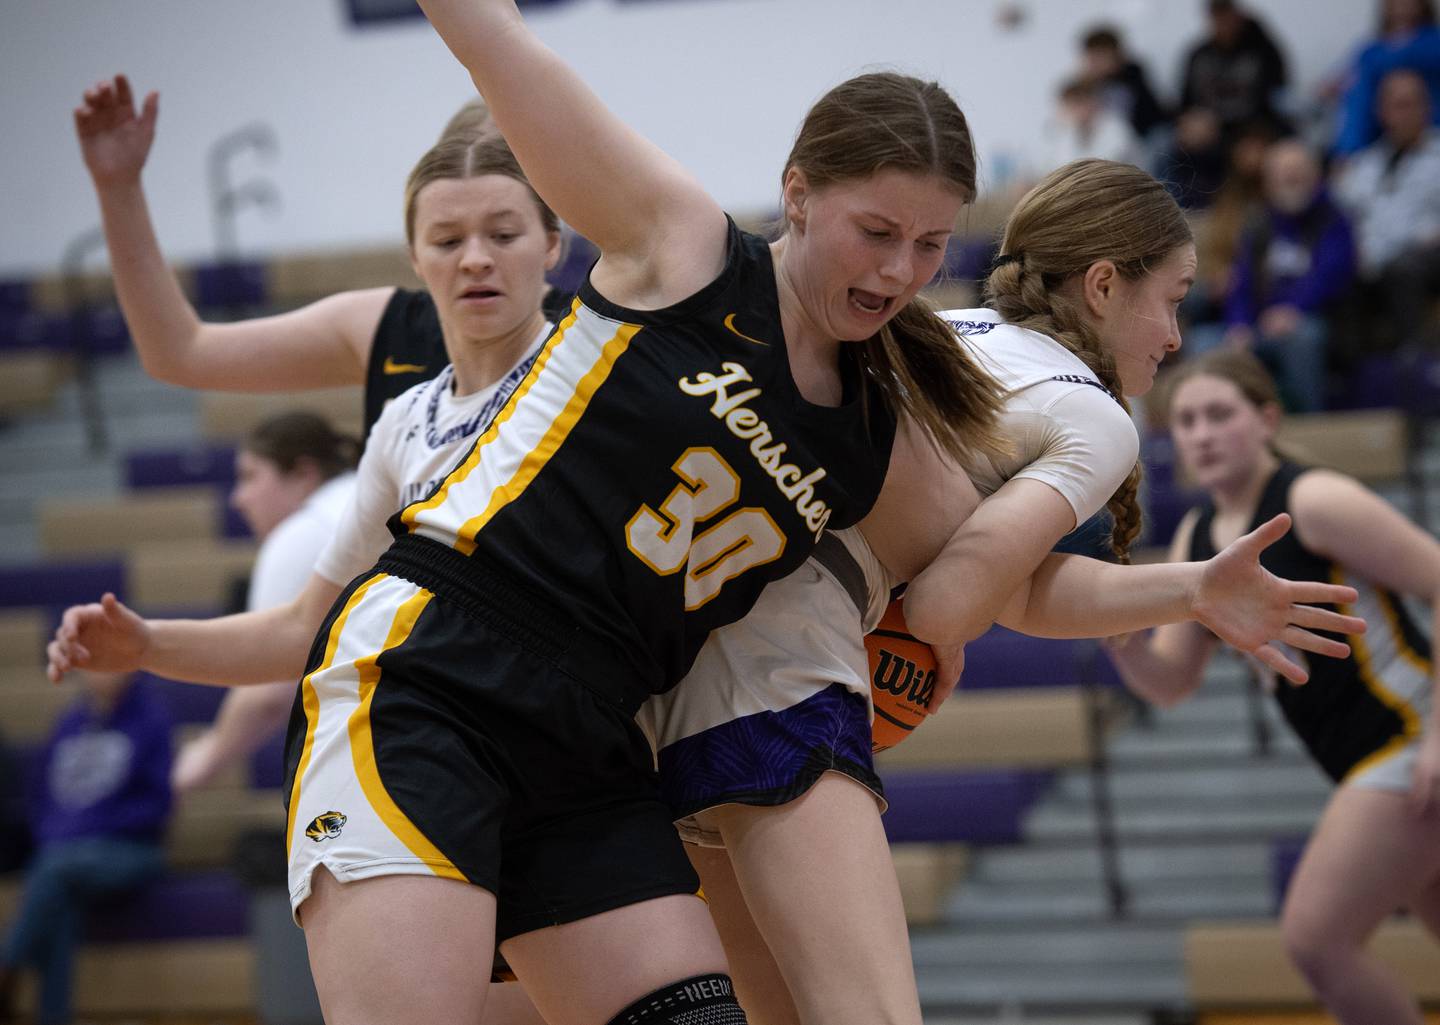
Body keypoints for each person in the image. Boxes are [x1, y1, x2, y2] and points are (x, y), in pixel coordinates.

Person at [65, 5, 1015, 1018]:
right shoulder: (685, 248)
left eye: (929, 244)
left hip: (596, 734)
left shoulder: (873, 434)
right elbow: (494, 38)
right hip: (438, 673)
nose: (899, 270)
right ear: (798, 194)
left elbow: (999, 552)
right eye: (877, 232)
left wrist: (981, 601)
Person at [638, 160, 1365, 1025]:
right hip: (776, 652)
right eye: (1172, 300)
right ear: (1103, 285)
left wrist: (1192, 588)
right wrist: (946, 634)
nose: (1176, 334)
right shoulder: (1093, 412)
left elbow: (1003, 586)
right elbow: (948, 604)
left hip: (668, 622)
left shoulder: (945, 326)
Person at [1107, 349, 1440, 1025]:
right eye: (1187, 421)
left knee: (1316, 940)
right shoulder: (1199, 538)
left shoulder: (1312, 499)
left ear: (1266, 420)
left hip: (1410, 738)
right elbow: (1172, 682)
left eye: (1219, 415)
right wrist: (1118, 636)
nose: (1202, 433)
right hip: (1363, 757)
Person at [72, 75, 570, 437]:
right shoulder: (380, 327)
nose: (476, 258)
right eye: (450, 237)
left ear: (549, 229)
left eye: (502, 230)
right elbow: (180, 353)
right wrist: (118, 189)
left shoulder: (595, 331)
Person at [170, 411, 358, 793]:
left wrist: (202, 761)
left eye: (250, 476)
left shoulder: (304, 531)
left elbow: (269, 692)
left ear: (303, 474)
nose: (238, 499)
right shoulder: (362, 497)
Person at [0, 670, 173, 1025]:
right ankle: (53, 1016)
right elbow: (40, 796)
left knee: (53, 869)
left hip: (130, 849)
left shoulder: (152, 719)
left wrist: (92, 827)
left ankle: (8, 964)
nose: (100, 672)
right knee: (59, 898)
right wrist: (58, 835)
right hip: (65, 856)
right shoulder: (68, 722)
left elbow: (158, 803)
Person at [1189, 140, 1357, 413]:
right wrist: (1239, 324)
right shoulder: (1259, 224)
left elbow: (1331, 277)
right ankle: (1218, 419)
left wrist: (1293, 310)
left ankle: (1310, 422)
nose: (1290, 181)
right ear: (1268, 183)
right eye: (1282, 175)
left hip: (1314, 321)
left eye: (1297, 173)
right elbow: (1241, 283)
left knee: (1303, 336)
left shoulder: (1334, 220)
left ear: (1315, 176)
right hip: (1260, 325)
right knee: (1204, 342)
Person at [1333, 68, 1440, 354]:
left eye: (1410, 104)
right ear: (1382, 112)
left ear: (1427, 108)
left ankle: (1416, 358)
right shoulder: (1364, 164)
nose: (1404, 114)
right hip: (1371, 257)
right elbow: (1341, 213)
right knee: (1338, 271)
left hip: (1425, 252)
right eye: (1396, 106)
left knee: (1404, 269)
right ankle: (1352, 370)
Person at [1330, 0, 1440, 158]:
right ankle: (1348, 152)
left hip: (1430, 133)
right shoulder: (1371, 51)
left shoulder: (1433, 43)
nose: (1402, 5)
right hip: (1378, 139)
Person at [1178, 0, 1289, 149]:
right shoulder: (1199, 55)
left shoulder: (1262, 51)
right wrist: (1192, 121)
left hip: (1253, 129)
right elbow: (1185, 104)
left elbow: (1278, 94)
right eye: (1218, 16)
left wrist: (1256, 27)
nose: (1224, 23)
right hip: (1207, 129)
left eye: (1227, 15)